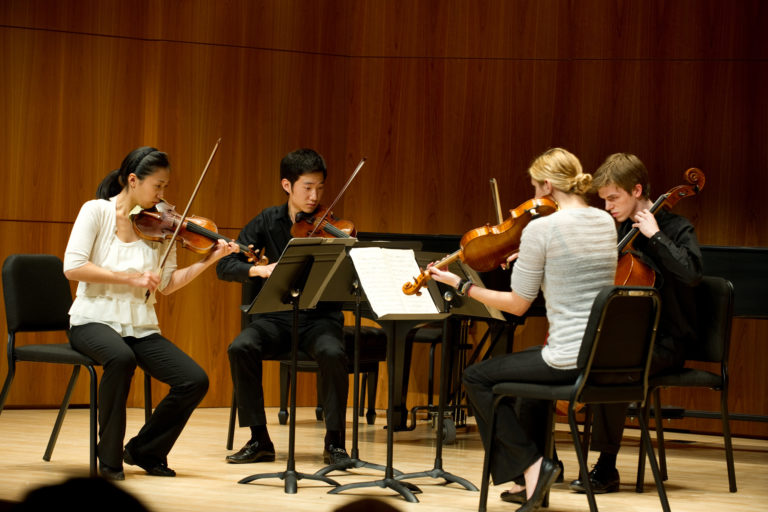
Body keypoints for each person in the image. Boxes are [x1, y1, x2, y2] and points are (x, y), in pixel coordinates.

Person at [428, 148, 617, 512]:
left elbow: (517, 304)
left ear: (547, 185)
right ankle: (527, 484)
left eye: (534, 187)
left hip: (566, 358)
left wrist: (461, 285)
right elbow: (575, 266)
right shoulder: (603, 222)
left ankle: (532, 466)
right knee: (528, 390)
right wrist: (534, 259)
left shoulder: (541, 228)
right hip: (600, 355)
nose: (532, 196)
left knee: (476, 377)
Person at [64, 146, 239, 480]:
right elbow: (73, 267)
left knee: (193, 380)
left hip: (140, 326)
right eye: (157, 186)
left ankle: (145, 450)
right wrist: (129, 278)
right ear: (133, 180)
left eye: (165, 187)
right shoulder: (96, 211)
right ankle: (109, 456)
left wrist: (210, 260)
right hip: (91, 319)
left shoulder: (160, 228)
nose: (162, 196)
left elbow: (168, 285)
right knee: (121, 358)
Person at [569, 152, 703, 494]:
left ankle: (606, 467)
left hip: (668, 341)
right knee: (563, 360)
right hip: (627, 340)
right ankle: (545, 462)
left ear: (637, 190)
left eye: (614, 198)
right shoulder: (621, 232)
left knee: (612, 368)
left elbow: (691, 274)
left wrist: (656, 236)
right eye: (604, 200)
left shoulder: (676, 228)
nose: (608, 207)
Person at [216, 148, 351, 466]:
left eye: (320, 187)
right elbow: (225, 266)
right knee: (241, 347)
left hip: (320, 319)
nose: (315, 196)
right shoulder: (266, 221)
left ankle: (335, 443)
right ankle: (259, 440)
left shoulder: (332, 226)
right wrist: (258, 270)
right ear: (287, 185)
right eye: (307, 187)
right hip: (275, 319)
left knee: (333, 352)